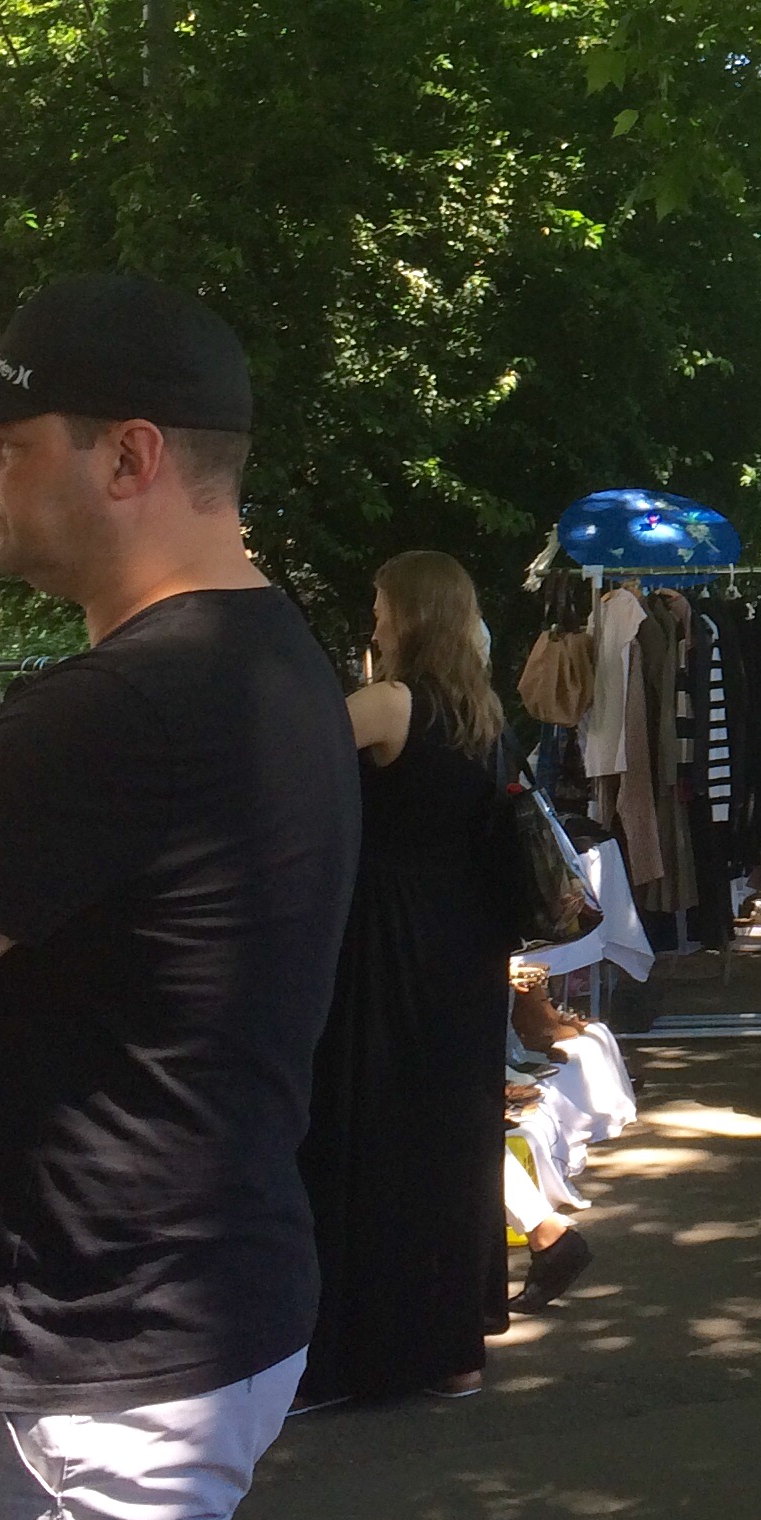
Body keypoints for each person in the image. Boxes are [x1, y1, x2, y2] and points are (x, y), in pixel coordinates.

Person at [0, 272, 358, 1520]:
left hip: (89, 1364)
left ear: (130, 458)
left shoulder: (116, 715)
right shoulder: (271, 660)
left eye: (6, 440)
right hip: (183, 1316)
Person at [299, 551, 552, 1406]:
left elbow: (278, 761)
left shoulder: (388, 703)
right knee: (453, 1138)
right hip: (467, 943)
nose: (373, 620)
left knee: (372, 1132)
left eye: (381, 606)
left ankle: (368, 1352)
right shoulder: (484, 712)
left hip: (387, 938)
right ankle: (453, 1346)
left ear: (408, 614)